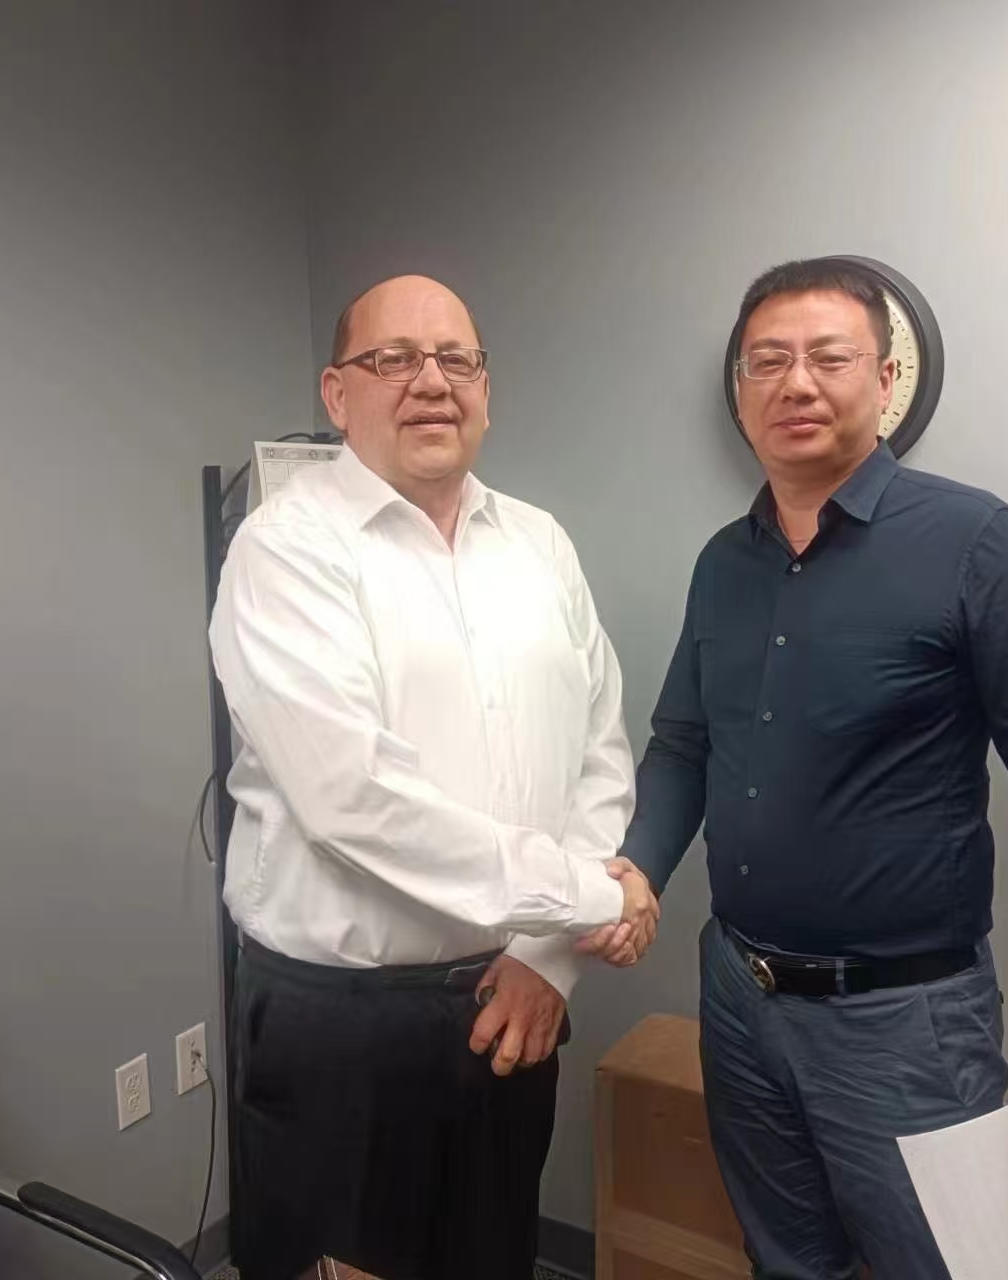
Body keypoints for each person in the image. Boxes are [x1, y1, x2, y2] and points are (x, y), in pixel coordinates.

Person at [617, 257, 1008, 1280]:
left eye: (828, 357)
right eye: (768, 361)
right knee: (787, 1263)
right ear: (739, 391)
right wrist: (636, 868)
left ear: (885, 379)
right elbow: (682, 744)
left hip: (903, 1024)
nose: (796, 383)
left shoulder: (971, 541)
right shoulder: (723, 561)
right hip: (739, 997)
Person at [209, 274, 660, 1280]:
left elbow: (597, 750)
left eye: (455, 358)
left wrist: (548, 955)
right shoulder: (285, 549)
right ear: (337, 394)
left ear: (485, 390)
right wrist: (594, 898)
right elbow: (352, 800)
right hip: (346, 1030)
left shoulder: (539, 543)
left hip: (514, 999)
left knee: (494, 1257)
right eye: (394, 359)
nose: (430, 381)